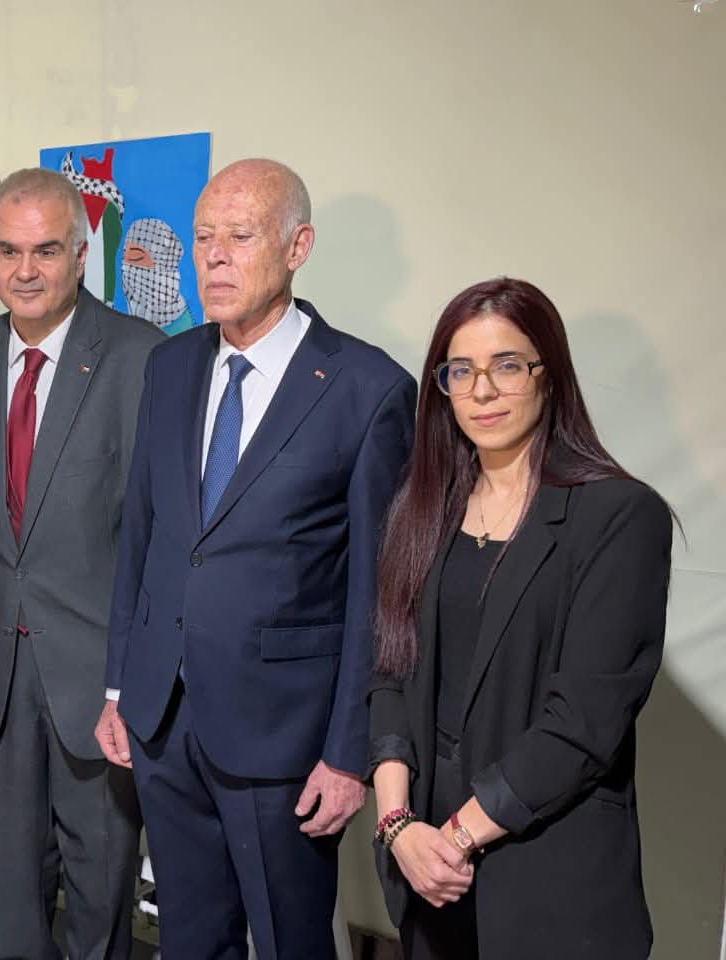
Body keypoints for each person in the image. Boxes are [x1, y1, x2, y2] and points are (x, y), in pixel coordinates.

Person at [98, 158, 417, 959]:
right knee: (189, 937)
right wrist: (119, 686)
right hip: (163, 722)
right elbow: (143, 537)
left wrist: (348, 755)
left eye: (239, 236)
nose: (214, 256)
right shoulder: (171, 365)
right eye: (203, 236)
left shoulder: (367, 388)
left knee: (287, 941)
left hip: (284, 739)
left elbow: (378, 596)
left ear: (297, 246)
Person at [368, 277, 673, 960]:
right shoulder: (422, 507)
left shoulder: (619, 516)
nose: (482, 391)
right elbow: (389, 670)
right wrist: (397, 826)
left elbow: (584, 724)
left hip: (547, 875)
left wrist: (455, 838)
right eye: (461, 371)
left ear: (548, 374)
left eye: (506, 365)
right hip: (425, 870)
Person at [0, 167, 160, 960]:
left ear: (80, 253)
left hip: (98, 682)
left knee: (101, 888)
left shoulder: (141, 356)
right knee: (9, 885)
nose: (24, 271)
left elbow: (158, 534)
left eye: (46, 251)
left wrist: (133, 680)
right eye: (8, 250)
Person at [120, 217, 196, 334]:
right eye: (124, 257)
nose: (125, 267)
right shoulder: (135, 322)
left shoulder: (182, 329)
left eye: (136, 257)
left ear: (163, 264)